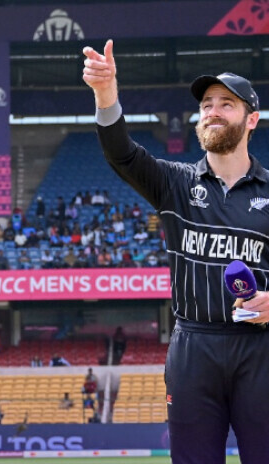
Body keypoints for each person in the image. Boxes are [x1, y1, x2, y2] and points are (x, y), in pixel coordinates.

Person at [84, 40, 268, 463]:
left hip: (261, 349)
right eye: (206, 104)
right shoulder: (176, 183)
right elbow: (121, 154)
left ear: (252, 119)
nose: (213, 111)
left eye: (227, 104)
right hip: (194, 348)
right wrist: (106, 93)